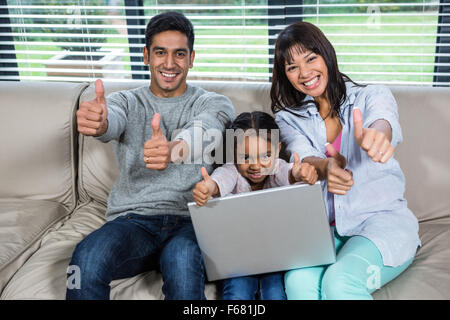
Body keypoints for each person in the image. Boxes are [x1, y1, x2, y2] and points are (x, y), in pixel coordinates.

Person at [67, 11, 235, 300]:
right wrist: (101, 122)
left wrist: (174, 149)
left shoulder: (212, 102)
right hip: (133, 221)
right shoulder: (126, 101)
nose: (169, 64)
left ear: (191, 58)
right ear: (146, 55)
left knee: (181, 260)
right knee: (86, 257)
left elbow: (209, 127)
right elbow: (112, 120)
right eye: (160, 53)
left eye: (179, 54)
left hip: (191, 220)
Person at [270, 21, 421, 300]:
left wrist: (377, 136)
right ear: (285, 75)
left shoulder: (371, 95)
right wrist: (326, 167)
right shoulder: (288, 118)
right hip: (324, 231)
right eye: (292, 67)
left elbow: (383, 121)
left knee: (340, 282)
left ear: (326, 54)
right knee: (297, 284)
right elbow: (303, 156)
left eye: (310, 58)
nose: (304, 73)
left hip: (380, 223)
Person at [193, 111, 318, 300]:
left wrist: (299, 173)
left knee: (275, 293)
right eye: (245, 157)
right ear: (232, 153)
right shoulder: (231, 171)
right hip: (237, 257)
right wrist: (208, 187)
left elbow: (289, 172)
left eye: (266, 155)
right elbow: (220, 180)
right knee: (237, 293)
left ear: (277, 150)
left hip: (276, 257)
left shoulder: (277, 168)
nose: (256, 166)